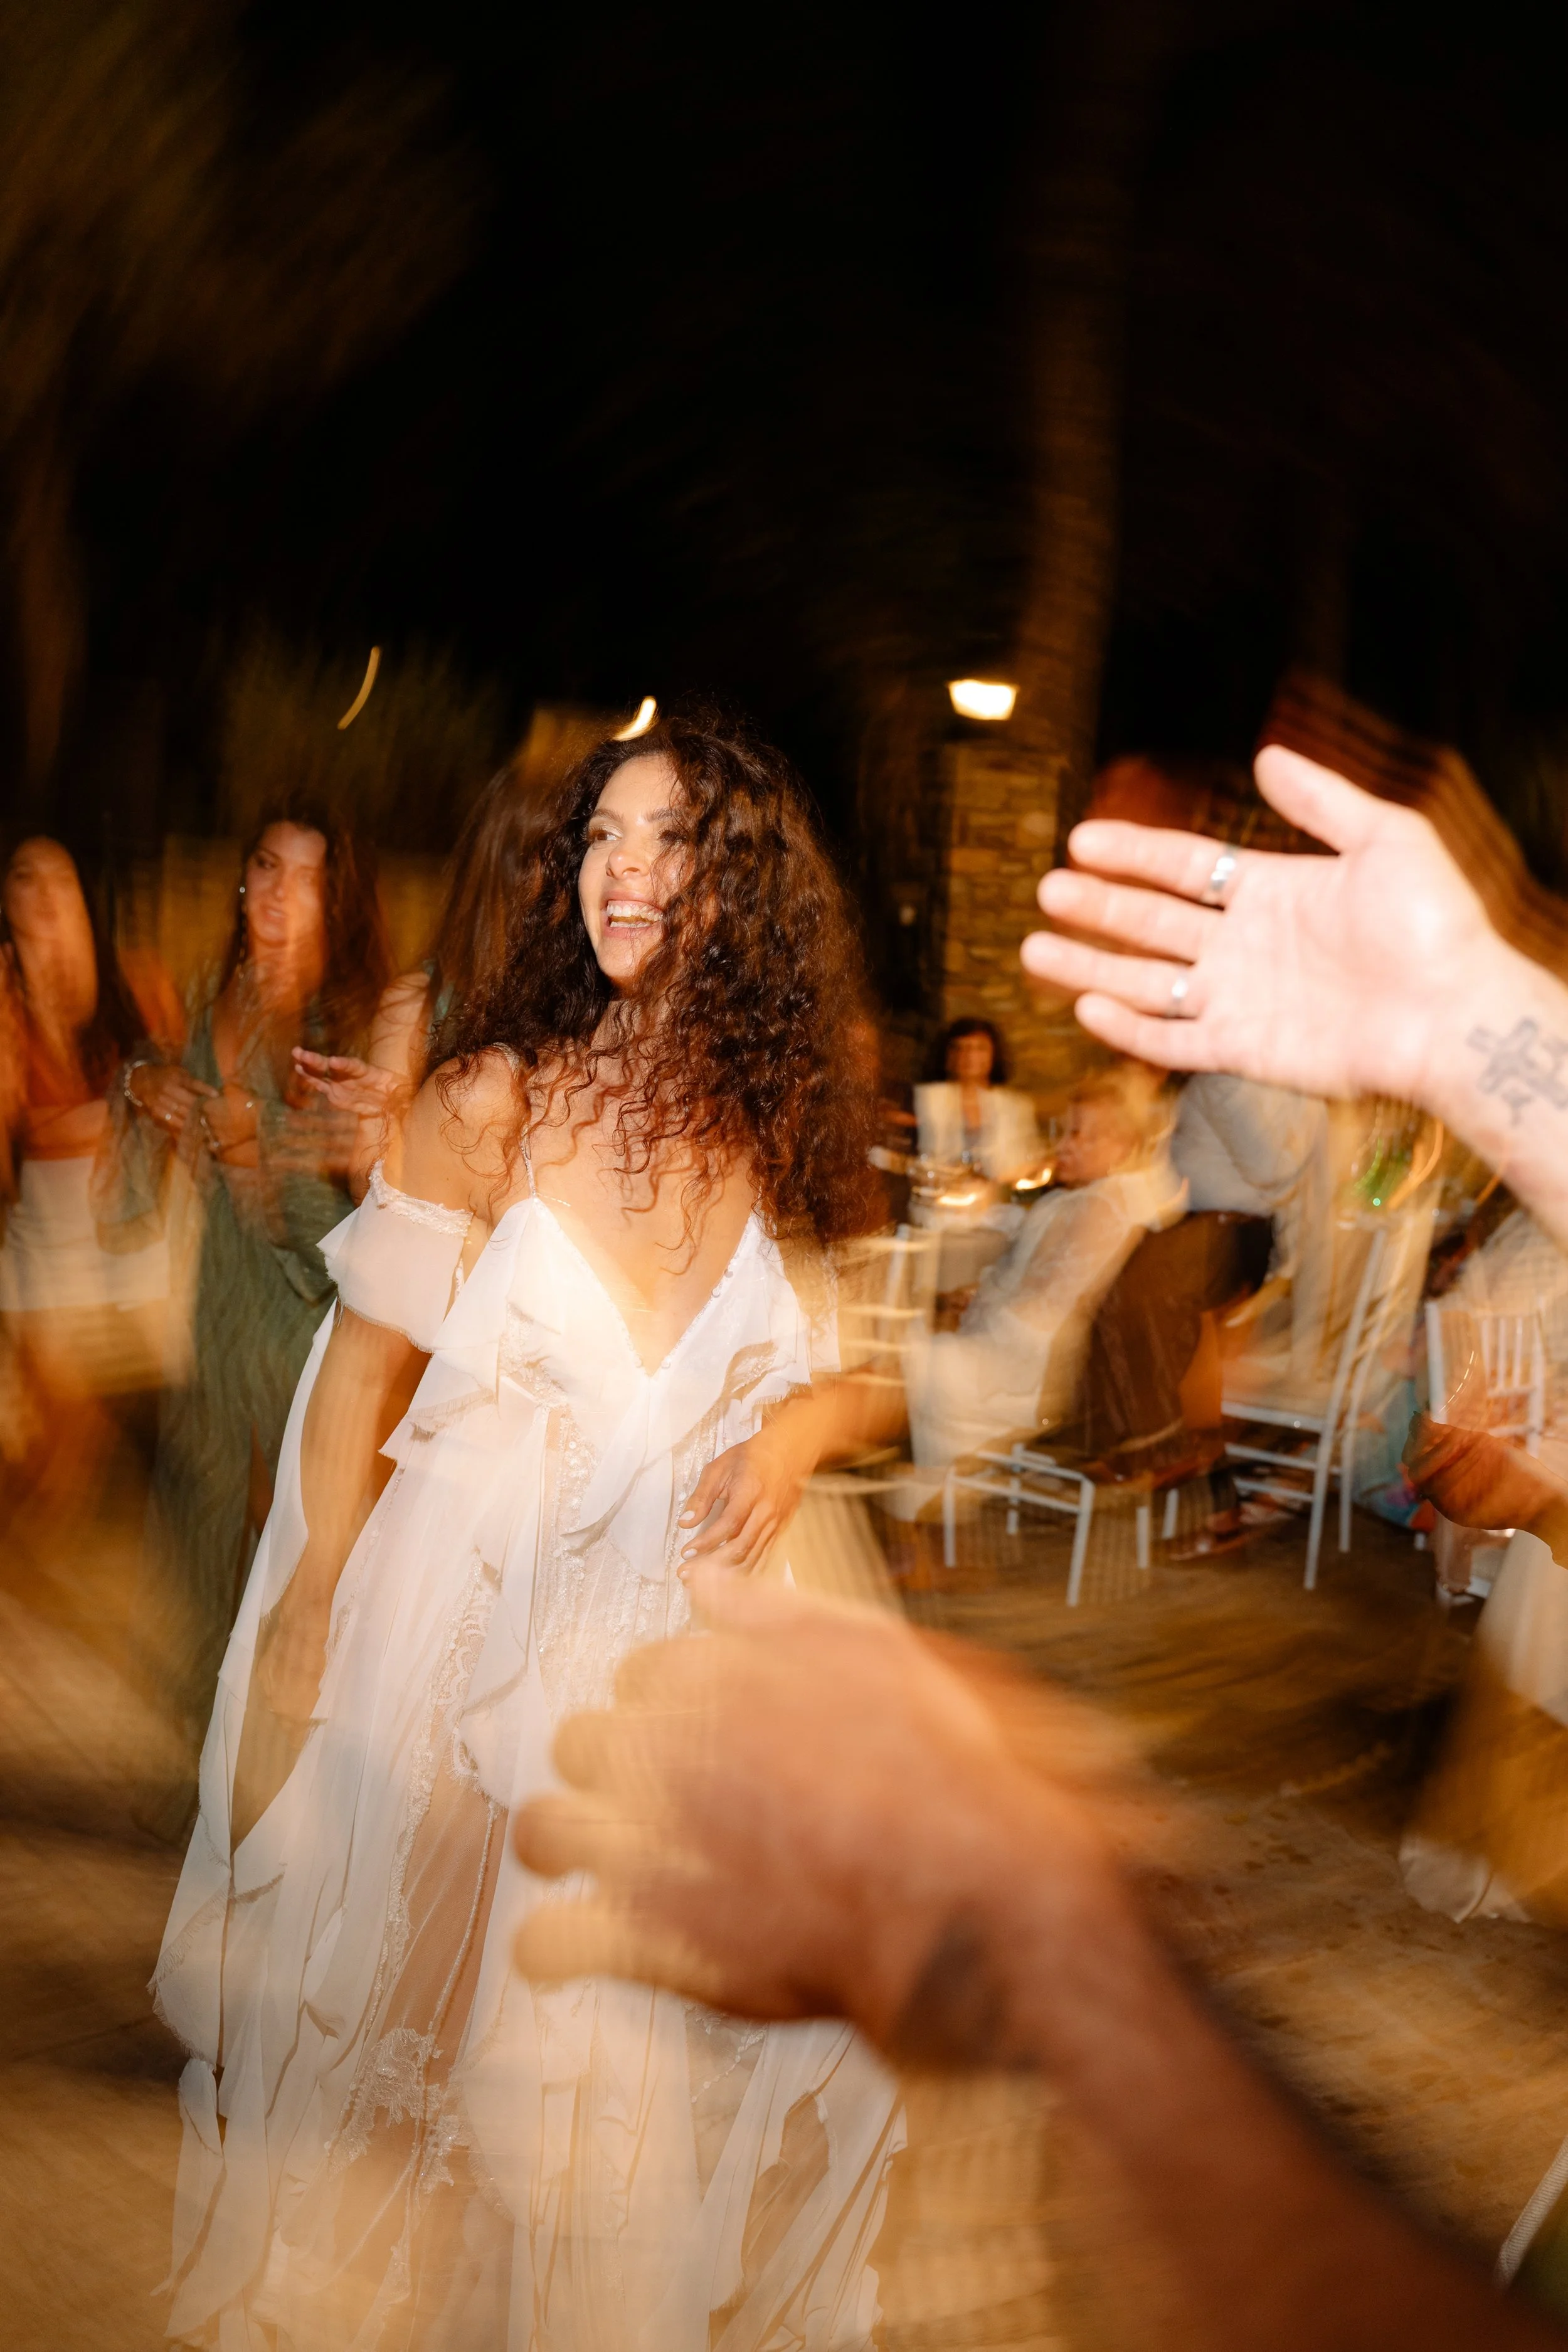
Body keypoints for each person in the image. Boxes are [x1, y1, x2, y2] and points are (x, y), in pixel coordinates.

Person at [152, 713, 904, 2349]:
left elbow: (870, 1380)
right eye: (599, 838)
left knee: (640, 2099)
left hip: (684, 1669)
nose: (621, 872)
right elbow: (360, 1371)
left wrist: (792, 1429)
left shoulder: (771, 1124)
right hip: (478, 1656)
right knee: (452, 2074)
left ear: (738, 882)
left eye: (666, 839)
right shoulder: (491, 1100)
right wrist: (312, 1603)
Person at [121, 802, 391, 1817]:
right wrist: (146, 1083)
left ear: (337, 903)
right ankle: (213, 1766)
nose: (278, 894)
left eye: (306, 878)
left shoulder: (344, 1032)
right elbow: (151, 1077)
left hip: (304, 1336)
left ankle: (280, 1793)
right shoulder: (213, 994)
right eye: (267, 867)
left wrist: (252, 1154)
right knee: (200, 1545)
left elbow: (355, 1232)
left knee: (294, 1568)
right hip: (218, 1319)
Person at [905, 1064, 1186, 1470]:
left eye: (1078, 1135)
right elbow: (1025, 1281)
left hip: (1025, 1370)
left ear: (1120, 1146)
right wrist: (976, 1298)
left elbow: (1044, 1312)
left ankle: (934, 1485)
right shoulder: (1072, 1200)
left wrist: (978, 1307)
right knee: (908, 1348)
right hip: (1011, 1344)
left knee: (913, 1360)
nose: (1062, 1146)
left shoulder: (1104, 1207)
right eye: (1064, 1132)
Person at [0, 837, 172, 1463]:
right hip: (50, 1284)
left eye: (61, 878)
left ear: (83, 898)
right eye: (26, 878)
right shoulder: (7, 1014)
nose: (46, 893)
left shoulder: (141, 988)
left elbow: (188, 1123)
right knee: (63, 1468)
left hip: (143, 1275)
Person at [291, 758, 552, 1157]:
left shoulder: (601, 1010)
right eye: (562, 856)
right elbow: (368, 1177)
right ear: (509, 869)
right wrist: (396, 1115)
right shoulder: (417, 1006)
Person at [914, 1015, 1041, 1184]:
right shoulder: (926, 1099)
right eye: (960, 1048)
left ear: (994, 1054)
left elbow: (1029, 1162)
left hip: (1001, 1196)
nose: (969, 1055)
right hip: (937, 1193)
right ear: (948, 1055)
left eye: (980, 1048)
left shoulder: (1016, 1106)